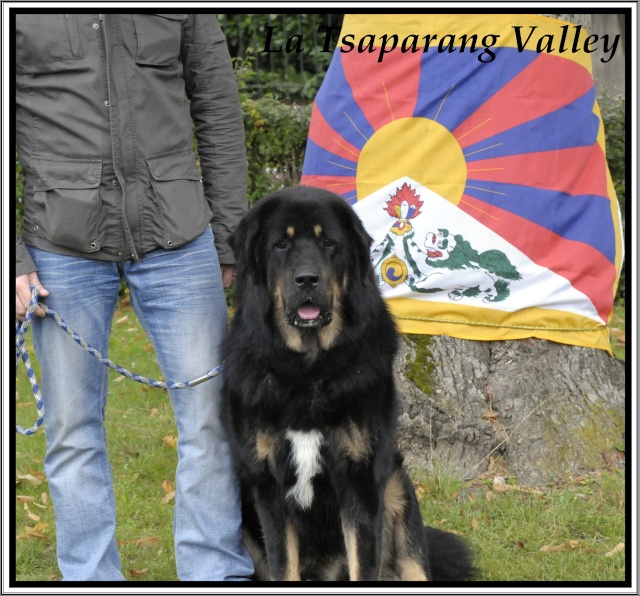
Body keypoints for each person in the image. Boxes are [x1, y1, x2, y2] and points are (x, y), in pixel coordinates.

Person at [15, 14, 254, 581]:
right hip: (58, 244)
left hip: (179, 233)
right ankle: (91, 578)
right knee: (71, 431)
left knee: (211, 422)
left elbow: (218, 111)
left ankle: (215, 573)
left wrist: (229, 240)